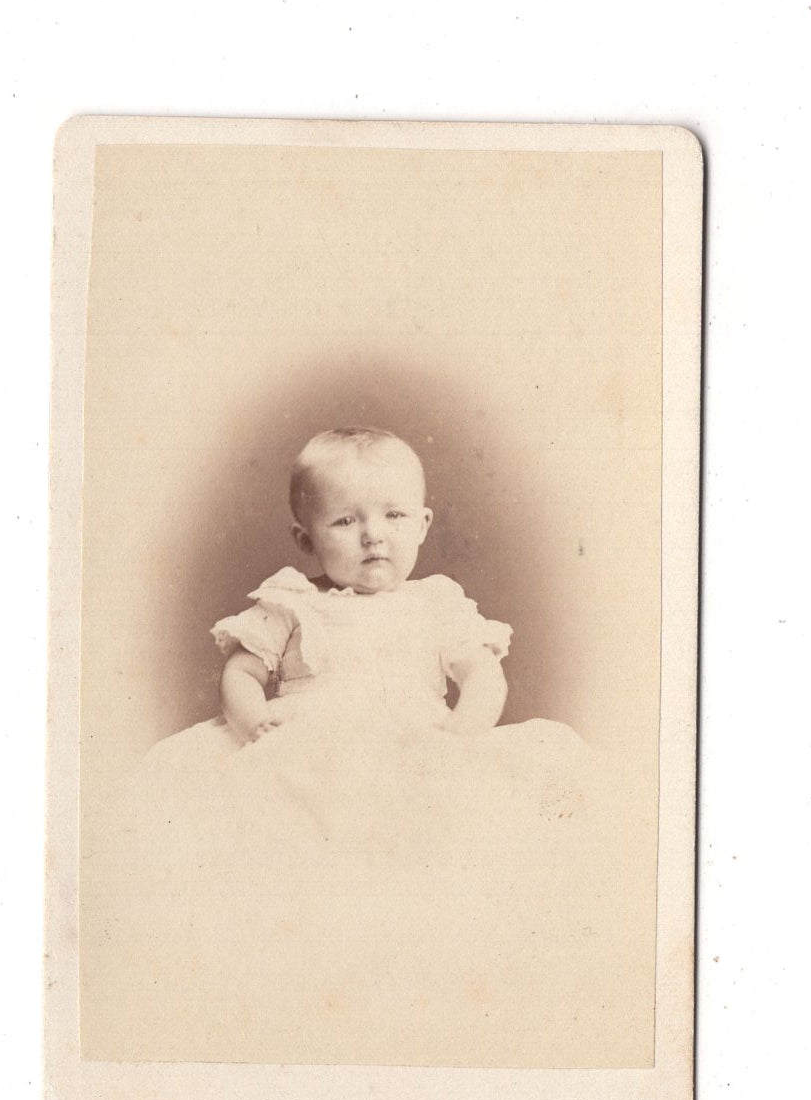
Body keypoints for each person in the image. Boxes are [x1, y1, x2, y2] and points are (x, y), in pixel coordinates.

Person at [94, 428, 606, 1064]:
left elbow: (483, 676)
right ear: (306, 538)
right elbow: (242, 674)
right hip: (305, 752)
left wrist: (465, 733)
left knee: (440, 854)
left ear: (422, 524)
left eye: (393, 516)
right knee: (286, 856)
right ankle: (305, 997)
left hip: (418, 749)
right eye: (345, 520)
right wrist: (254, 723)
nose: (373, 536)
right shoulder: (291, 602)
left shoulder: (436, 604)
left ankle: (422, 992)